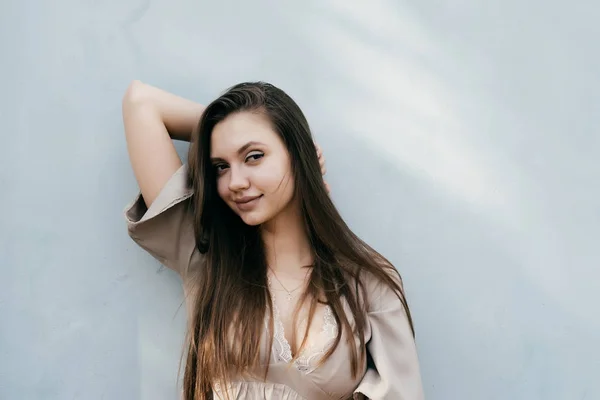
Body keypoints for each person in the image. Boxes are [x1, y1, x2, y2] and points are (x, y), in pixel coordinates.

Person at [122, 80, 424, 400]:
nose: (235, 182)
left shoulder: (368, 280)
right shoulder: (205, 255)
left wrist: (291, 136)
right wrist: (226, 128)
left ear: (297, 154)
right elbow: (141, 102)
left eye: (253, 156)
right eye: (221, 166)